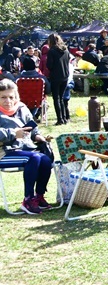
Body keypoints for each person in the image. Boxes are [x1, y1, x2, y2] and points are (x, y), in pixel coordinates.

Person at [0, 79, 54, 214]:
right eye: (3, 97)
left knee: (45, 159)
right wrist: (13, 133)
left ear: (16, 96)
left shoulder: (22, 108)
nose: (8, 101)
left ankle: (39, 196)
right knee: (34, 158)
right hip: (4, 153)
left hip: (25, 149)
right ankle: (28, 199)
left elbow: (33, 129)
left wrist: (39, 137)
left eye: (11, 97)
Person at [45, 33, 70, 125]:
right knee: (62, 98)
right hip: (65, 76)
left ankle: (60, 119)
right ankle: (64, 118)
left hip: (56, 76)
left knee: (56, 98)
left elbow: (49, 65)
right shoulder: (66, 50)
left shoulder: (51, 51)